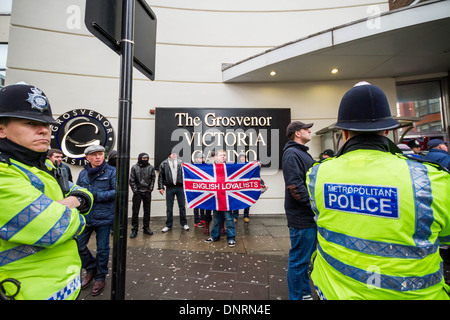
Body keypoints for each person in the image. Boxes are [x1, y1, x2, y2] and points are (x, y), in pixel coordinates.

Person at [306, 82, 450, 300]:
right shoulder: (432, 180)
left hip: (333, 291)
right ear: (386, 131)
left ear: (344, 133)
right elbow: (445, 239)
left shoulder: (317, 176)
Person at [0, 83, 93, 300]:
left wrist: (68, 203)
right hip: (24, 291)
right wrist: (74, 209)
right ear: (1, 129)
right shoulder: (4, 173)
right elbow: (55, 228)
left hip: (65, 288)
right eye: (30, 123)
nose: (43, 130)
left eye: (45, 124)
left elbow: (84, 193)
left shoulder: (44, 166)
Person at [282, 120, 317, 300]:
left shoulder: (301, 153)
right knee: (298, 261)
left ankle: (304, 294)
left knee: (303, 261)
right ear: (297, 133)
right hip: (302, 218)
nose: (310, 131)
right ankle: (297, 297)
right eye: (306, 129)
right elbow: (295, 186)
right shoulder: (292, 154)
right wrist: (313, 205)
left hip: (307, 217)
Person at [76, 144, 116, 296]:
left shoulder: (112, 171)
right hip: (86, 216)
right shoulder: (83, 174)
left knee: (103, 249)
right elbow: (79, 191)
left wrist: (96, 196)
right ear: (88, 158)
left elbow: (116, 191)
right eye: (94, 155)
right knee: (77, 245)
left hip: (104, 217)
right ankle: (91, 267)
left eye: (100, 154)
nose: (98, 157)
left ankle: (100, 277)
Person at [205, 150, 237, 247]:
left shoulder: (230, 167)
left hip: (226, 199)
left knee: (229, 218)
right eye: (221, 155)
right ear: (216, 157)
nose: (223, 157)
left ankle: (231, 238)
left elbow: (243, 168)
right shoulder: (211, 167)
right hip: (216, 198)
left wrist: (256, 165)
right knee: (217, 219)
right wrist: (184, 167)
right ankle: (215, 236)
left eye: (224, 155)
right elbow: (198, 169)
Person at [158, 151, 189, 232]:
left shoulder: (181, 163)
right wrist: (161, 187)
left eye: (176, 154)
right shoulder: (164, 164)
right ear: (170, 155)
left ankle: (184, 223)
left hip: (180, 187)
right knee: (169, 207)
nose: (175, 155)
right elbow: (161, 176)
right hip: (170, 188)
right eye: (173, 154)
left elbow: (186, 174)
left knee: (182, 206)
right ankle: (168, 225)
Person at [129, 152, 156, 238]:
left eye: (146, 159)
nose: (145, 160)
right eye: (143, 159)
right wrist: (135, 190)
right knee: (135, 211)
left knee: (147, 211)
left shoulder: (151, 168)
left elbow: (153, 179)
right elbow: (132, 180)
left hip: (147, 191)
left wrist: (150, 189)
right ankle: (134, 229)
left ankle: (146, 227)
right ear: (140, 158)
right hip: (138, 192)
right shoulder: (134, 168)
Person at [232, 152, 250, 223]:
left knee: (247, 201)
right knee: (236, 201)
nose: (242, 158)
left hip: (245, 186)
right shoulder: (235, 165)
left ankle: (246, 216)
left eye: (243, 157)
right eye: (241, 157)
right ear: (239, 158)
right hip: (237, 186)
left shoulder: (248, 165)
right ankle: (235, 216)